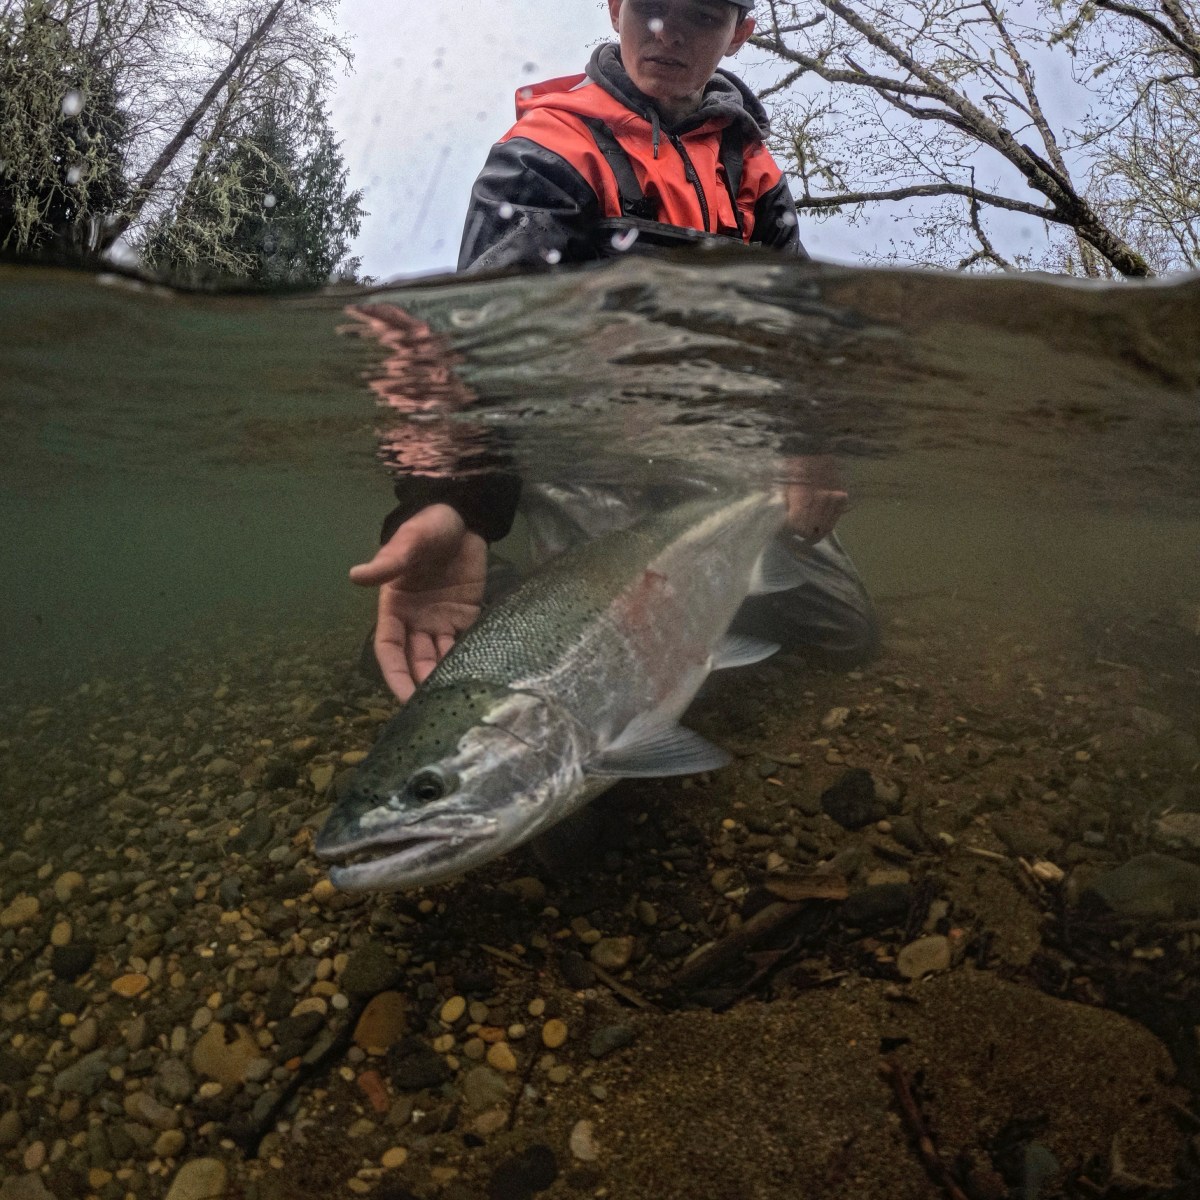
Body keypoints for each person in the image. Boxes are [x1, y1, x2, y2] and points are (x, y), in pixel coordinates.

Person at [352, 0, 877, 701]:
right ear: (615, 8)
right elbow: (475, 344)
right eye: (651, 7)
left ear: (739, 35)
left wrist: (812, 444)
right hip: (588, 448)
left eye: (699, 15)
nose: (668, 33)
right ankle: (503, 587)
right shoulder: (545, 151)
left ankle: (672, 601)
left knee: (847, 633)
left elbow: (799, 327)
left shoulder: (753, 169)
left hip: (713, 447)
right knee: (610, 687)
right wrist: (450, 499)